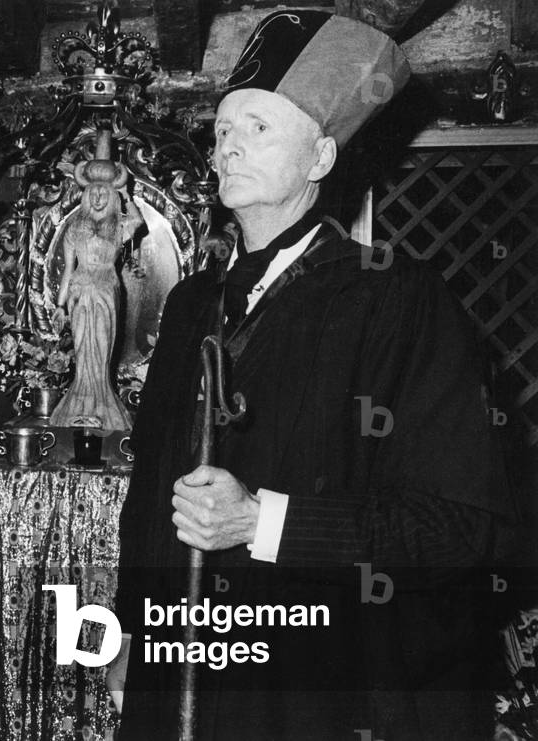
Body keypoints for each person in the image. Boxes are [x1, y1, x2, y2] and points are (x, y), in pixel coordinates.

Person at [109, 11, 517, 740]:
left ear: (321, 156)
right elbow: (149, 489)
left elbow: (461, 529)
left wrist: (263, 520)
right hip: (178, 683)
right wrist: (135, 630)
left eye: (259, 126)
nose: (227, 142)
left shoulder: (397, 301)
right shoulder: (190, 305)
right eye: (223, 127)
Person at [50, 129, 143, 431]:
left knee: (101, 350)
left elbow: (138, 222)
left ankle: (102, 403)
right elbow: (66, 270)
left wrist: (127, 194)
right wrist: (60, 305)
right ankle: (80, 402)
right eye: (94, 192)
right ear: (86, 196)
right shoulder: (74, 228)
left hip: (105, 291)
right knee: (81, 349)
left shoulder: (118, 228)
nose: (100, 196)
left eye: (106, 192)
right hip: (79, 292)